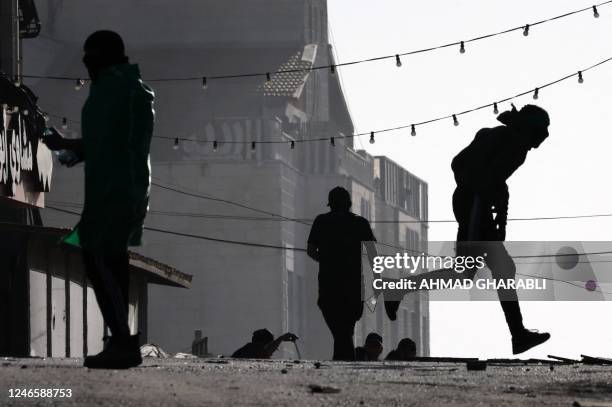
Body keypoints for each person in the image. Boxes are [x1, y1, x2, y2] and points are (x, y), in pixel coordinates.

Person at [384, 104, 551, 355]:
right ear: (530, 129)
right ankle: (518, 335)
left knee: (469, 272)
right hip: (474, 204)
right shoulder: (510, 142)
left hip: (474, 203)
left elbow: (484, 175)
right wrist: (486, 193)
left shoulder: (503, 139)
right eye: (540, 133)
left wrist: (495, 200)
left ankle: (396, 289)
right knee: (491, 269)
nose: (539, 141)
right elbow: (469, 169)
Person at [42, 30, 155, 369]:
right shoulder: (130, 88)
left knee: (99, 258)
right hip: (121, 188)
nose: (85, 64)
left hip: (114, 190)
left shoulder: (113, 90)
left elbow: (109, 144)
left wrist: (67, 145)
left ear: (101, 58)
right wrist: (76, 151)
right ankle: (121, 339)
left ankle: (122, 340)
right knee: (111, 259)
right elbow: (110, 142)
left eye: (89, 58)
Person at [307, 186, 378, 361]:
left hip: (328, 283)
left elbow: (310, 250)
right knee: (346, 327)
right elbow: (372, 254)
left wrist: (326, 261)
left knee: (340, 327)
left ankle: (343, 359)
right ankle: (345, 360)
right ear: (349, 203)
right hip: (352, 285)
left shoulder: (321, 221)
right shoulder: (360, 223)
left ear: (330, 203)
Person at [232, 329, 298, 359]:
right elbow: (266, 352)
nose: (272, 353)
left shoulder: (247, 349)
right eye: (272, 347)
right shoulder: (255, 350)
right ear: (265, 345)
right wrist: (281, 338)